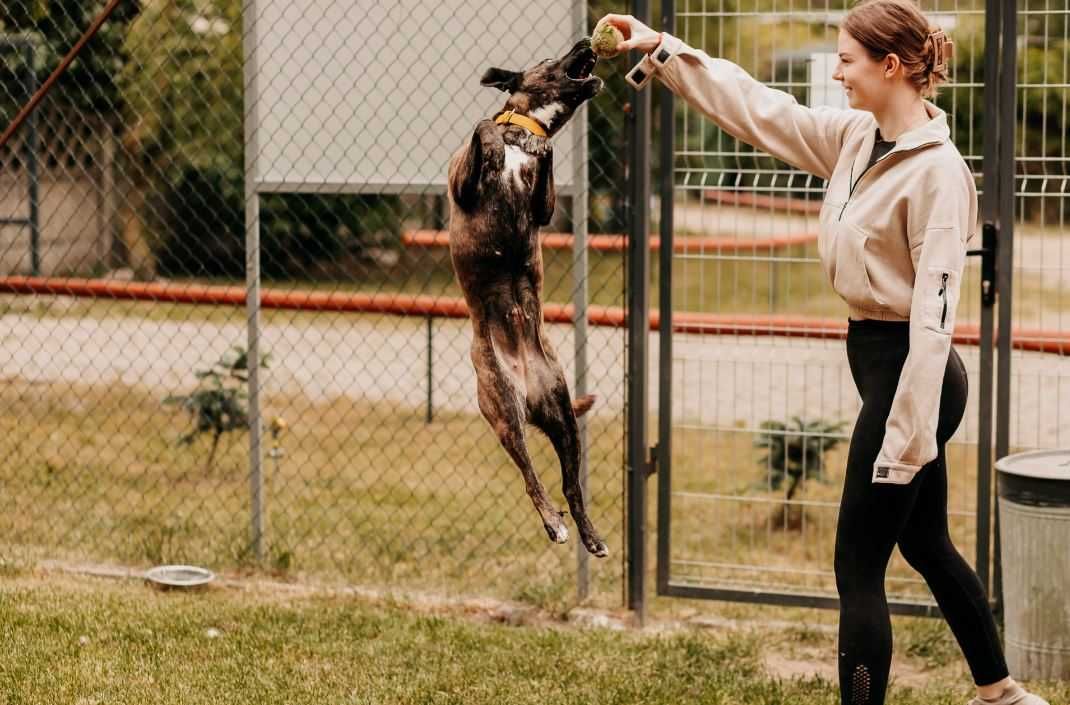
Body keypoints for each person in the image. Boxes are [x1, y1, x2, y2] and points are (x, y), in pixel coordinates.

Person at [597, 2, 1051, 704]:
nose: (836, 71)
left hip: (913, 376)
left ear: (891, 66)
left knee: (857, 567)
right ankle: (1003, 693)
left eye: (847, 60)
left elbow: (934, 322)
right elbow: (761, 109)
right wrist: (666, 51)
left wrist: (906, 436)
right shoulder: (855, 138)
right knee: (925, 543)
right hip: (878, 360)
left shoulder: (938, 174)